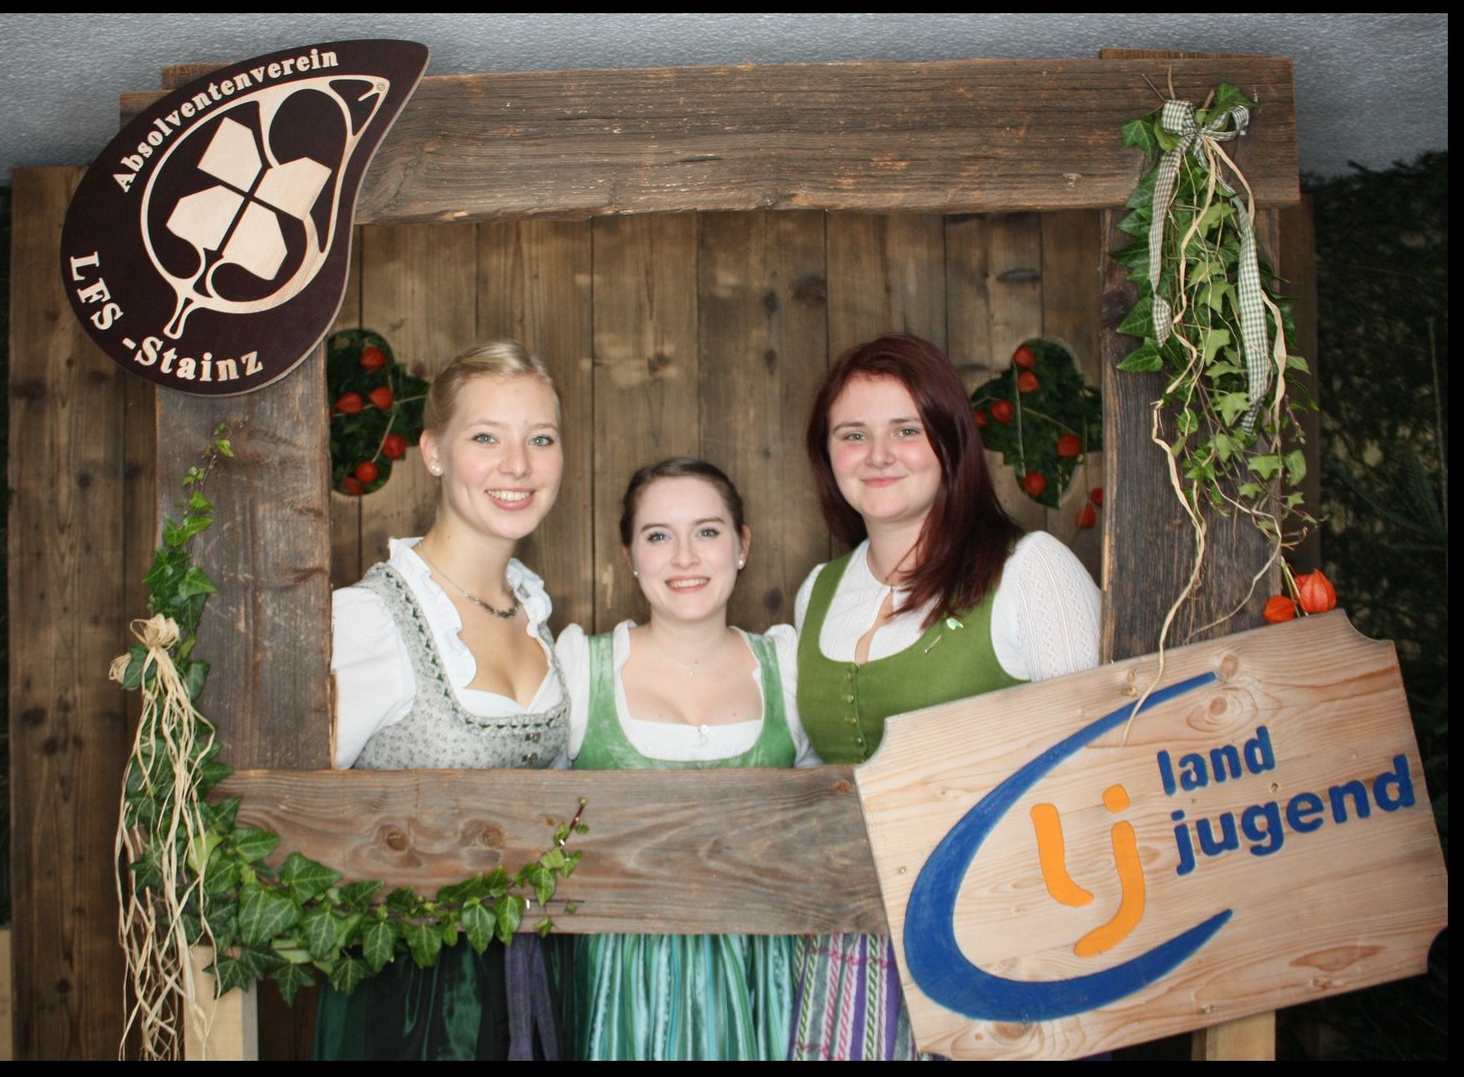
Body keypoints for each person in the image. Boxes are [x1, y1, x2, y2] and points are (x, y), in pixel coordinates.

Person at [790, 334, 1101, 1060]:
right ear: (827, 455)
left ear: (950, 441)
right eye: (852, 434)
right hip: (850, 954)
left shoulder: (1031, 572)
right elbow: (809, 775)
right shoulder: (818, 592)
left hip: (1000, 944)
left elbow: (1095, 768)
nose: (878, 455)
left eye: (906, 429)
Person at [315, 339, 573, 1060]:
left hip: (535, 982)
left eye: (540, 439)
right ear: (433, 452)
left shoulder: (535, 613)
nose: (518, 465)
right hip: (413, 1001)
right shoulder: (372, 620)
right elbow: (294, 817)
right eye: (486, 437)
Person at [554, 458, 819, 1061]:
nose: (684, 557)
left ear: (742, 545)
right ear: (630, 556)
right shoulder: (580, 669)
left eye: (707, 531)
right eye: (658, 536)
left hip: (766, 975)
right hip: (621, 981)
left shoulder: (787, 666)